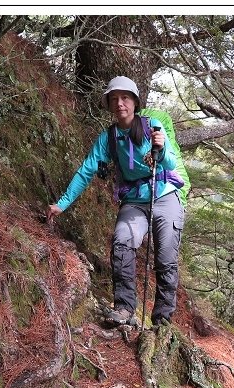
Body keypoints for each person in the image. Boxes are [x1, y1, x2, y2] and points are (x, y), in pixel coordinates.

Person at [47, 76, 185, 327]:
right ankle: (124, 308)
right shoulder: (108, 138)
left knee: (165, 257)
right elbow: (86, 170)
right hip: (134, 199)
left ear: (134, 101)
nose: (120, 103)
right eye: (114, 99)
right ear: (109, 105)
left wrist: (161, 149)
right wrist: (62, 204)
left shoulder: (152, 126)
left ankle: (162, 320)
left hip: (165, 195)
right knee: (122, 242)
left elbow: (171, 163)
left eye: (125, 98)